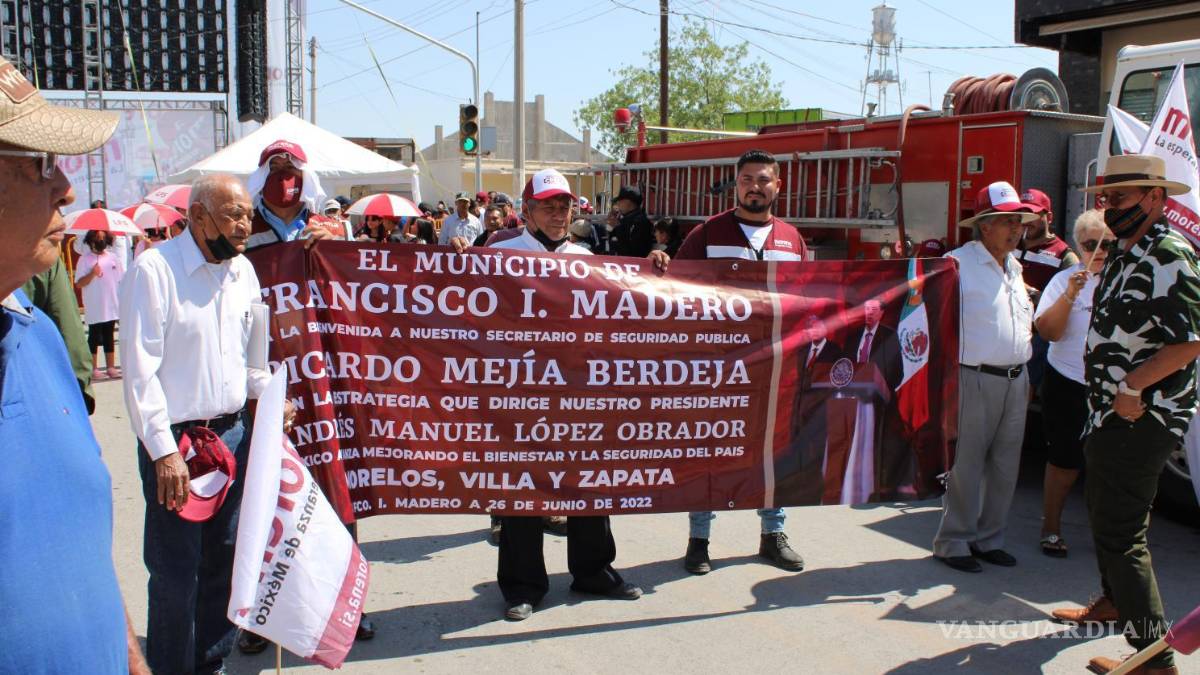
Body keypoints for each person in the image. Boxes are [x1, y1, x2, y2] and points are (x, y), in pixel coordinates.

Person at [0, 54, 149, 674]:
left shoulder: (37, 339)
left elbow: (80, 547)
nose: (65, 185)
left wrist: (132, 658)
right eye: (42, 163)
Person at [449, 168, 642, 622]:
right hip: (519, 389)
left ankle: (594, 569)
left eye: (565, 205)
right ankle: (522, 585)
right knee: (521, 487)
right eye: (548, 205)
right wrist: (456, 258)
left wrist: (654, 263)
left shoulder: (586, 255)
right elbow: (463, 306)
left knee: (588, 480)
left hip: (576, 388)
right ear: (527, 209)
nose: (558, 213)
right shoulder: (499, 251)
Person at [120, 174, 276, 674]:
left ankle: (211, 664)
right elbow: (140, 371)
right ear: (199, 215)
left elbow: (254, 356)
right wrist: (164, 452)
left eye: (248, 214)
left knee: (224, 565)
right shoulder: (154, 270)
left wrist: (270, 397)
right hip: (178, 446)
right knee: (175, 574)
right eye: (233, 214)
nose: (244, 225)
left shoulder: (244, 272)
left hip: (233, 437)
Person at [1051, 155, 1200, 675]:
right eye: (1105, 199)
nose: (1109, 208)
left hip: (1143, 415)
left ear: (1155, 198)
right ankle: (1116, 602)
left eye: (1121, 198)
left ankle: (1153, 658)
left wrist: (1134, 385)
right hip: (1108, 413)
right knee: (1103, 510)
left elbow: (1189, 342)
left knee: (1121, 529)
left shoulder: (1169, 254)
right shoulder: (1123, 254)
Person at [648, 148, 807, 575]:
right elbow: (676, 288)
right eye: (747, 180)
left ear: (778, 185)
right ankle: (699, 540)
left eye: (764, 180)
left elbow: (809, 298)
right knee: (708, 450)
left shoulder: (793, 239)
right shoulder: (708, 232)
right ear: (736, 185)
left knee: (773, 452)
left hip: (775, 366)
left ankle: (773, 534)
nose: (755, 188)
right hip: (719, 365)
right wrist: (659, 263)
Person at [931, 181, 1038, 574]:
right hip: (971, 376)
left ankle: (989, 538)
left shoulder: (1014, 264)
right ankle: (954, 540)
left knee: (1006, 463)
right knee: (967, 463)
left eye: (1018, 221)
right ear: (984, 226)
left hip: (1015, 377)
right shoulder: (956, 264)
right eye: (1005, 221)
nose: (1014, 229)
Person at [1032, 209, 1113, 558]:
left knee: (1111, 465)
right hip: (1068, 381)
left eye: (1108, 244)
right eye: (1091, 244)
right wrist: (1069, 295)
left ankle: (1114, 539)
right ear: (1079, 246)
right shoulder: (1064, 279)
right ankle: (1051, 528)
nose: (1100, 251)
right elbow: (1049, 332)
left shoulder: (1126, 279)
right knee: (1064, 460)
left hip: (1113, 389)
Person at [244, 139, 342, 251]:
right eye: (273, 168)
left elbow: (351, 264)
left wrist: (334, 249)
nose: (281, 177)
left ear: (306, 178)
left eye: (290, 167)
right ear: (260, 179)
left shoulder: (335, 230)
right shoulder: (242, 229)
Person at [75, 230, 124, 380]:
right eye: (97, 238)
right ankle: (94, 368)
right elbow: (79, 283)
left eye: (103, 237)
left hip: (112, 303)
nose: (100, 240)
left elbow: (122, 279)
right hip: (95, 304)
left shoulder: (113, 258)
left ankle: (110, 367)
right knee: (94, 335)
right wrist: (93, 273)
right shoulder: (84, 259)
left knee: (109, 334)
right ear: (90, 241)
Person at [609, 185, 655, 258]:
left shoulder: (641, 222)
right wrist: (611, 227)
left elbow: (635, 252)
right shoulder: (624, 219)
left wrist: (618, 227)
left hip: (634, 266)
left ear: (628, 202)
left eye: (620, 201)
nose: (618, 204)